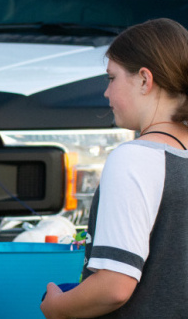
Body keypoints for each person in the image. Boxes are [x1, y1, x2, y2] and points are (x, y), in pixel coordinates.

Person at [41, 18, 188, 318]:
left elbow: (114, 286)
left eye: (112, 78)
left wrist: (57, 307)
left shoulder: (134, 158)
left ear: (145, 80)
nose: (106, 93)